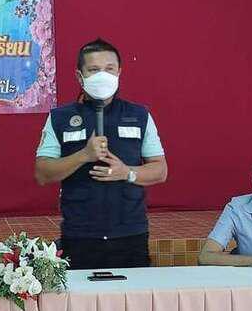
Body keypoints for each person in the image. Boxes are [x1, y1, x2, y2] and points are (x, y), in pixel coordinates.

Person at [34, 38, 168, 269]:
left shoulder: (139, 115)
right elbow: (42, 173)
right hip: (79, 236)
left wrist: (127, 173)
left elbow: (160, 170)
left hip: (130, 235)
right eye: (94, 70)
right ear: (80, 76)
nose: (102, 76)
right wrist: (83, 155)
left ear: (119, 73)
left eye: (109, 69)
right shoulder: (59, 118)